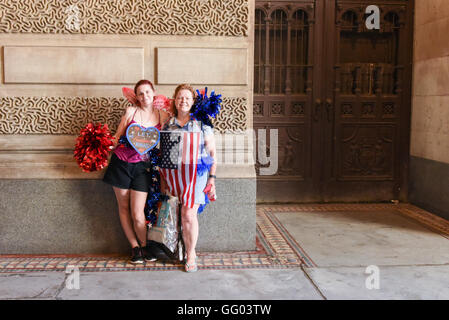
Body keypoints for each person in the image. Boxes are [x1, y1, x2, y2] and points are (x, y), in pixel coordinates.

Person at [103, 79, 168, 264]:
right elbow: (116, 137)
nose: (144, 96)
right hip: (121, 164)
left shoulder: (161, 116)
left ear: (153, 93)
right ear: (136, 97)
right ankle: (135, 248)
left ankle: (145, 245)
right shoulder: (131, 112)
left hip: (143, 168)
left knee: (138, 213)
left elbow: (166, 143)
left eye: (147, 92)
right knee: (123, 208)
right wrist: (101, 147)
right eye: (140, 93)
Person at [159, 84, 217, 273]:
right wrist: (164, 182)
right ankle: (180, 249)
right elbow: (165, 156)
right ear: (174, 101)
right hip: (174, 176)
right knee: (177, 215)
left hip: (196, 176)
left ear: (193, 102)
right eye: (180, 97)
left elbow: (212, 153)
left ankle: (191, 254)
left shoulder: (202, 124)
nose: (183, 101)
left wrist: (212, 179)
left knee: (188, 214)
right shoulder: (168, 124)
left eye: (187, 98)